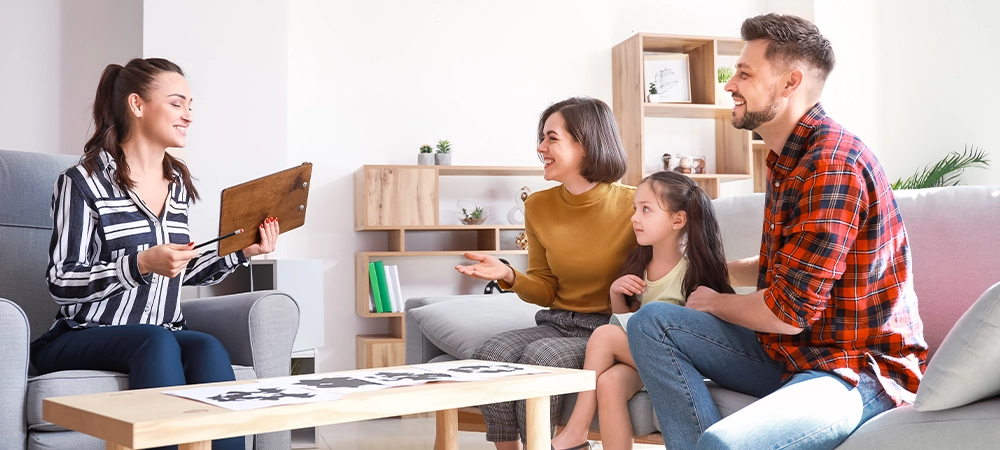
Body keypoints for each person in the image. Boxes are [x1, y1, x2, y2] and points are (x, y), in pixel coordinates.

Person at [627, 13, 927, 450]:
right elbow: (788, 270)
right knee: (651, 322)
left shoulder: (831, 166)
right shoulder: (788, 160)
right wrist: (715, 270)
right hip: (792, 352)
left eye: (744, 74)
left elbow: (787, 313)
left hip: (854, 368)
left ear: (790, 83)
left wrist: (715, 301)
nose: (730, 85)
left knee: (724, 444)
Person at [29, 58, 280, 450]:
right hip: (84, 334)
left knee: (208, 347)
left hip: (161, 330)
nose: (188, 115)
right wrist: (141, 263)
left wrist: (241, 252)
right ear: (137, 105)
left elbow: (180, 269)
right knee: (157, 341)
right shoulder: (82, 182)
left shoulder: (176, 184)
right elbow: (62, 280)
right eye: (177, 103)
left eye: (190, 106)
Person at [455, 97, 635, 450]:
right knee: (490, 354)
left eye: (552, 138)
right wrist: (509, 275)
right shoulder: (538, 205)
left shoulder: (634, 205)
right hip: (558, 320)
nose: (540, 148)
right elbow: (546, 288)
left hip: (608, 329)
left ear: (586, 144)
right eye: (542, 138)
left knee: (542, 358)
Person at [550, 171, 735, 450]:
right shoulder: (640, 264)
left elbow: (703, 334)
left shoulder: (693, 271)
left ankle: (576, 431)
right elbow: (625, 321)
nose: (635, 218)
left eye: (646, 209)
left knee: (603, 336)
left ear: (678, 220)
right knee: (609, 383)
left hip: (676, 363)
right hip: (643, 358)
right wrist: (616, 294)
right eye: (635, 209)